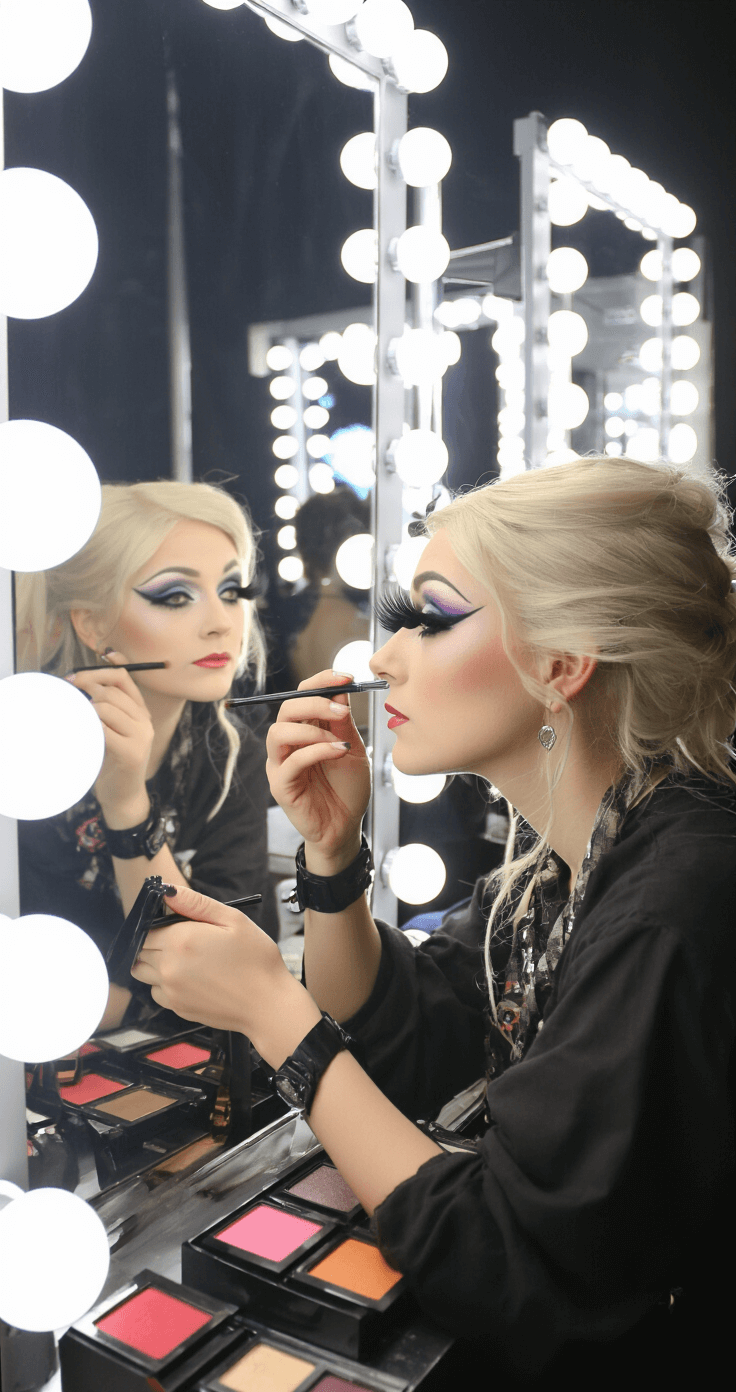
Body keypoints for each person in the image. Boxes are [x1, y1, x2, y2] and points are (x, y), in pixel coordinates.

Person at [131, 457, 736, 1378]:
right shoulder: (562, 866)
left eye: (432, 618)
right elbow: (409, 1047)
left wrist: (271, 1013)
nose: (382, 658)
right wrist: (333, 858)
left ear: (562, 663)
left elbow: (504, 1260)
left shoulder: (673, 905)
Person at [16, 479, 277, 1029]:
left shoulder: (232, 753)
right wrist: (136, 1006)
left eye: (232, 591)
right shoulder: (24, 756)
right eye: (176, 596)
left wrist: (127, 802)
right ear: (92, 623)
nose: (221, 622)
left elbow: (218, 973)